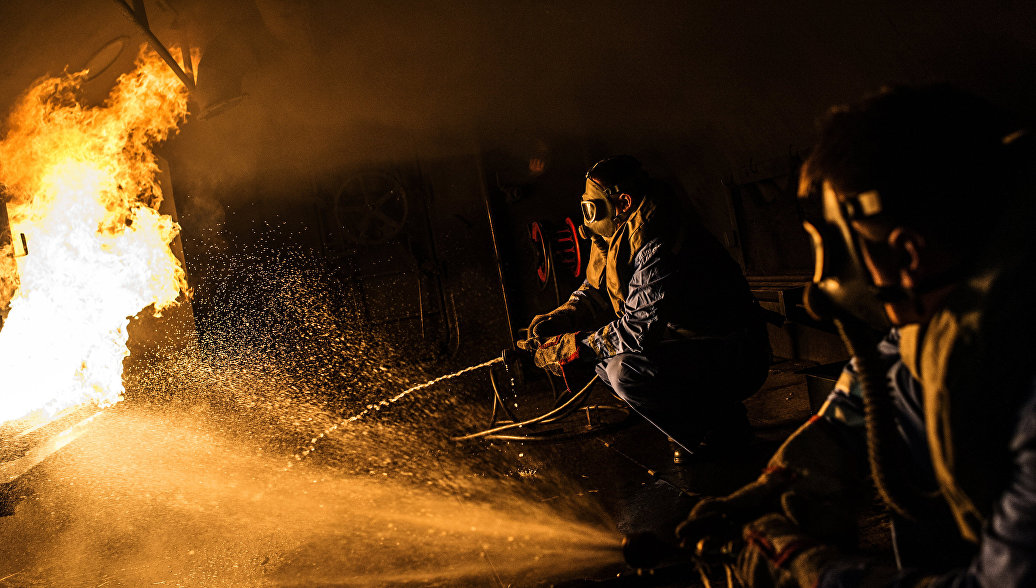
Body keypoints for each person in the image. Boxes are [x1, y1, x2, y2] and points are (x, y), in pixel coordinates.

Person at [676, 85, 1036, 587]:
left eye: (833, 246)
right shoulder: (967, 309)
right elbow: (887, 379)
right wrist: (783, 481)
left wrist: (806, 572)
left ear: (907, 255)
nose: (822, 279)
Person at [518, 155, 770, 456]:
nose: (587, 217)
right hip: (696, 344)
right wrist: (565, 315)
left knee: (623, 371)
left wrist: (574, 347)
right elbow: (596, 288)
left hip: (737, 354)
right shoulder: (620, 236)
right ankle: (719, 422)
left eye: (591, 208)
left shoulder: (658, 242)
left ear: (622, 203)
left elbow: (638, 328)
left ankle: (716, 432)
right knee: (603, 362)